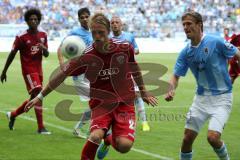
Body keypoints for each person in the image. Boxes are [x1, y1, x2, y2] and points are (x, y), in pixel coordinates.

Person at [25, 13, 158, 160]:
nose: (97, 37)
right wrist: (40, 96)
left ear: (108, 31)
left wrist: (144, 92)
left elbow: (134, 68)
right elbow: (61, 75)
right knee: (95, 136)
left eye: (101, 32)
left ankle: (108, 140)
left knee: (124, 146)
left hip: (124, 103)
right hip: (100, 105)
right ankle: (103, 138)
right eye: (94, 32)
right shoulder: (86, 57)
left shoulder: (125, 48)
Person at [165, 11, 240, 160]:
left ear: (199, 25)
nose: (186, 27)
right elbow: (175, 75)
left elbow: (236, 53)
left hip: (222, 98)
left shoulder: (215, 42)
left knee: (212, 138)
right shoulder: (185, 52)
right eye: (184, 25)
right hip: (201, 100)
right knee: (187, 139)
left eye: (189, 24)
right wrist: (171, 90)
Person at [0, 8, 51, 134]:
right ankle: (41, 127)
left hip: (39, 71)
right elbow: (12, 53)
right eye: (31, 19)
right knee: (39, 94)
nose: (33, 21)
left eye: (36, 19)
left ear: (39, 20)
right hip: (28, 71)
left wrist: (44, 48)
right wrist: (4, 71)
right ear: (27, 21)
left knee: (35, 97)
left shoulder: (43, 36)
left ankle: (13, 114)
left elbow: (47, 54)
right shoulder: (21, 37)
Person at [110, 15, 150, 132]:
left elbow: (137, 49)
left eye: (117, 22)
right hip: (114, 74)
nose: (114, 24)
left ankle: (144, 122)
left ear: (121, 24)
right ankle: (116, 123)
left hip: (129, 70)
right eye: (112, 22)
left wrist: (129, 49)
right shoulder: (107, 38)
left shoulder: (129, 36)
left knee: (137, 94)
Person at [57, 7, 93, 138]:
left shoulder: (94, 31)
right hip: (80, 74)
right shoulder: (75, 32)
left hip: (93, 73)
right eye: (82, 17)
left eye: (86, 16)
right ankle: (84, 128)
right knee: (97, 100)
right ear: (78, 19)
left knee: (97, 101)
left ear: (90, 17)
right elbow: (61, 47)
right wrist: (62, 64)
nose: (84, 19)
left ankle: (88, 128)